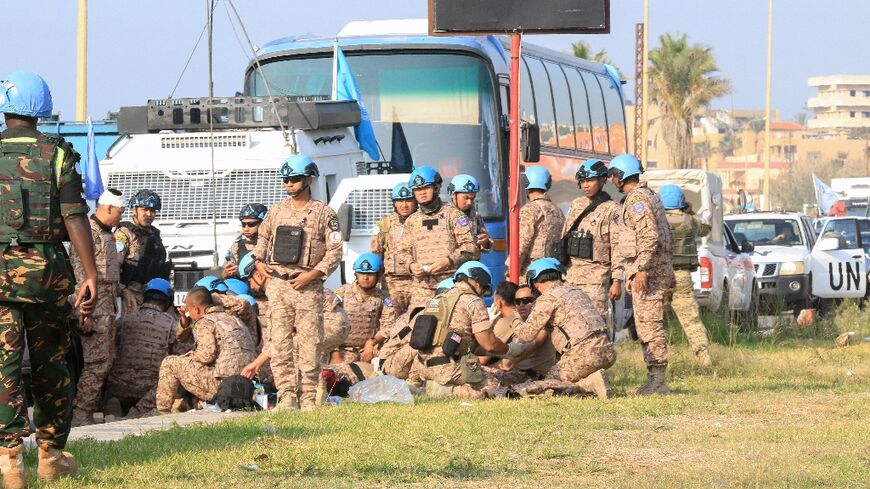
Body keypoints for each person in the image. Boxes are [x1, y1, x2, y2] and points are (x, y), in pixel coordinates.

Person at [0, 71, 97, 484]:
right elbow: (75, 215)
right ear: (43, 110)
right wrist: (90, 273)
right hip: (47, 276)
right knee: (51, 363)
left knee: (2, 365)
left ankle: (9, 462)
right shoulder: (57, 154)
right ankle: (50, 456)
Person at [251, 154, 342, 410]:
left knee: (310, 343)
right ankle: (287, 395)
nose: (289, 184)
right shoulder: (276, 211)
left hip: (308, 287)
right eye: (286, 180)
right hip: (279, 286)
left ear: (308, 179)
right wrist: (258, 262)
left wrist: (313, 275)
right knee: (279, 343)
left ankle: (309, 398)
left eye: (294, 179)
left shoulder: (324, 213)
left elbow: (335, 251)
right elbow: (261, 241)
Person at [68, 188, 135, 427]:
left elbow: (108, 278)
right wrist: (85, 312)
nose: (121, 216)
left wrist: (123, 291)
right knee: (97, 362)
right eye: (120, 211)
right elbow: (82, 279)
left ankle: (88, 409)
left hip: (107, 309)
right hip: (93, 310)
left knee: (106, 360)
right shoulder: (87, 233)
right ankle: (81, 413)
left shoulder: (107, 234)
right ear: (107, 208)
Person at [608, 154, 674, 395]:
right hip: (651, 270)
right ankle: (654, 379)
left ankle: (657, 380)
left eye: (615, 174)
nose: (612, 179)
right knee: (646, 324)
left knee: (649, 326)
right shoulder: (648, 196)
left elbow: (649, 236)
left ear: (623, 175)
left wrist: (642, 269)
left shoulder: (638, 200)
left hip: (649, 272)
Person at [503, 258, 615, 399]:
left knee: (549, 384)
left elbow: (526, 334)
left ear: (535, 282)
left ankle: (589, 385)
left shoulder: (548, 298)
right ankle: (592, 380)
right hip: (607, 350)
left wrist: (512, 316)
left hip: (584, 354)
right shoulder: (575, 290)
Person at [408, 261, 522, 399]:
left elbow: (470, 344)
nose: (482, 293)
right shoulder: (472, 301)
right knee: (495, 387)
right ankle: (446, 392)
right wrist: (508, 350)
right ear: (478, 283)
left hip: (422, 365)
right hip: (448, 366)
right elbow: (489, 344)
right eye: (485, 289)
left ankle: (431, 386)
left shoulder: (437, 299)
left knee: (482, 374)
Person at [152, 287, 257, 414]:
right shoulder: (235, 319)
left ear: (196, 308)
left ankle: (162, 411)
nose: (188, 314)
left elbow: (206, 356)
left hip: (223, 387)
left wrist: (188, 357)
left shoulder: (205, 322)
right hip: (246, 387)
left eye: (189, 310)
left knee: (170, 363)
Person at [397, 165, 476, 306]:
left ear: (437, 188)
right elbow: (402, 252)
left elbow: (469, 247)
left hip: (450, 284)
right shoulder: (411, 220)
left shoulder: (454, 215)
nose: (422, 193)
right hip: (422, 290)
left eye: (426, 188)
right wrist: (411, 266)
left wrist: (448, 261)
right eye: (417, 190)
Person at [108, 278, 186, 418]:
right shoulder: (172, 325)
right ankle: (138, 412)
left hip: (117, 386)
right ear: (168, 300)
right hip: (148, 390)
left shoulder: (123, 320)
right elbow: (181, 358)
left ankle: (114, 403)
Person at [659, 184, 712, 367]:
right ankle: (703, 358)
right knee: (691, 320)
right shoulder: (690, 220)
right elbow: (706, 228)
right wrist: (692, 211)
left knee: (656, 319)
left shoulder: (656, 220)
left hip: (660, 276)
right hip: (682, 275)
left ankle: (658, 361)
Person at [562, 159, 623, 317]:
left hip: (596, 279)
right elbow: (565, 236)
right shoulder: (576, 205)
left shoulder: (612, 209)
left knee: (596, 326)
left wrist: (617, 280)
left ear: (602, 180)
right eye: (582, 181)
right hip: (571, 275)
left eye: (590, 180)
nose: (585, 185)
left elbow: (617, 247)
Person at [332, 253, 397, 364]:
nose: (365, 278)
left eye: (370, 274)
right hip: (343, 350)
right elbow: (329, 323)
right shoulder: (342, 292)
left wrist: (372, 342)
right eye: (361, 273)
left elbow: (389, 325)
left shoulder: (384, 297)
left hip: (370, 349)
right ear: (356, 274)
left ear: (379, 275)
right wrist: (335, 355)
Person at [115, 189, 172, 306]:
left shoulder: (155, 234)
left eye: (152, 210)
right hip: (130, 297)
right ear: (134, 210)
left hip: (154, 296)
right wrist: (122, 290)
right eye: (144, 209)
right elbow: (114, 266)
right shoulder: (124, 233)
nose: (149, 214)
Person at [370, 182, 417, 313]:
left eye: (408, 200)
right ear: (394, 203)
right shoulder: (384, 224)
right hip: (391, 284)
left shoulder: (423, 222)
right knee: (390, 320)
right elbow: (375, 254)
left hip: (418, 281)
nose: (404, 205)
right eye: (400, 200)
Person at [515, 166, 565, 283]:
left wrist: (511, 271)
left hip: (531, 272)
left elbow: (522, 242)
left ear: (526, 183)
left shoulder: (530, 209)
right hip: (551, 271)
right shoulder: (557, 210)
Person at [447, 174, 492, 257]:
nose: (469, 202)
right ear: (453, 195)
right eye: (465, 198)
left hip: (470, 266)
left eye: (472, 198)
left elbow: (486, 242)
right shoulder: (444, 216)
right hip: (450, 267)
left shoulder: (475, 217)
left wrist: (485, 242)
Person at [222, 203, 268, 279]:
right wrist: (225, 273)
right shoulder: (236, 247)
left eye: (251, 224)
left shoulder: (272, 245)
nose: (246, 229)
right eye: (243, 224)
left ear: (263, 223)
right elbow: (225, 274)